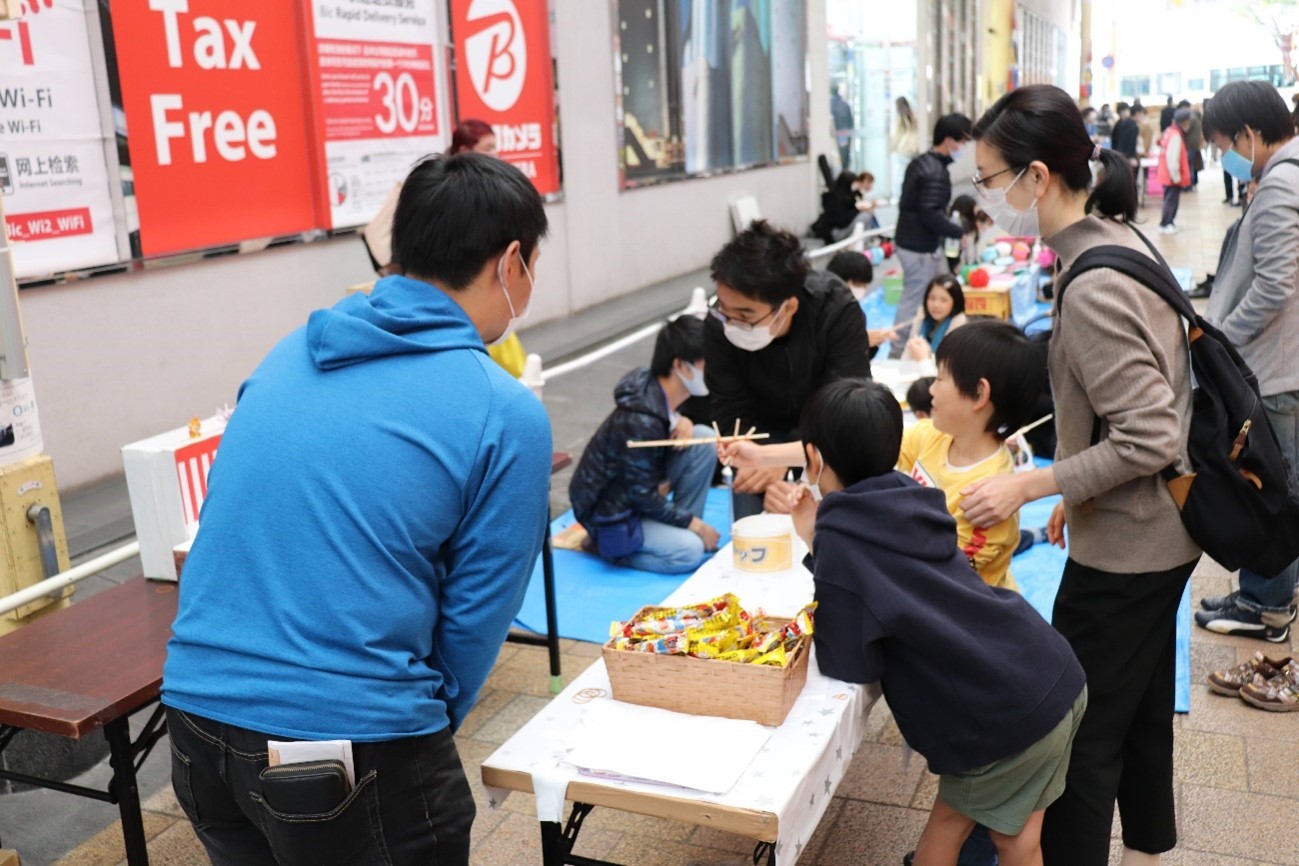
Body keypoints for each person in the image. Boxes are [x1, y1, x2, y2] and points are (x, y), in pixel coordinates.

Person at [162, 153, 553, 866]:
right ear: (512, 262)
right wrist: (408, 731)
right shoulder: (502, 412)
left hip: (192, 720)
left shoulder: (288, 354)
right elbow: (474, 622)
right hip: (348, 746)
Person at [958, 84, 1200, 866]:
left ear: (1034, 176)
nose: (987, 199)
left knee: (1080, 732)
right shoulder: (1120, 239)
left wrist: (1039, 484)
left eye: (989, 181)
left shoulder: (1091, 283)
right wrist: (1077, 489)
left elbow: (1148, 432)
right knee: (1137, 702)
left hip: (1131, 550)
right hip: (1160, 530)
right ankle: (1150, 843)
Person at [792, 378, 1087, 866]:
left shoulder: (841, 538)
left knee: (949, 835)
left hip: (1001, 711)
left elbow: (850, 662)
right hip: (1052, 669)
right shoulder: (912, 495)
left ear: (813, 457)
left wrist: (817, 542)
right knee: (1019, 841)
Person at [1195, 80, 1299, 641]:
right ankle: (1271, 590)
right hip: (1285, 361)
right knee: (1285, 484)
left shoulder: (1283, 183)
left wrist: (1220, 342)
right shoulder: (1285, 175)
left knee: (1271, 491)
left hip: (1278, 368)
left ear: (1249, 134)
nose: (1223, 158)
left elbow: (1274, 286)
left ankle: (1266, 606)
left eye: (1223, 145)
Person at [704, 220, 869, 519]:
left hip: (826, 436)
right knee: (752, 525)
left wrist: (783, 459)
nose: (731, 322)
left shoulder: (835, 309)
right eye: (724, 309)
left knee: (835, 522)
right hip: (756, 435)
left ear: (789, 307)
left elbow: (846, 406)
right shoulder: (719, 322)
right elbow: (728, 407)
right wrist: (761, 464)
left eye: (745, 315)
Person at [567, 317, 720, 574]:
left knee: (702, 438)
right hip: (610, 513)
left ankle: (679, 528)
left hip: (637, 495)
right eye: (708, 362)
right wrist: (696, 525)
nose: (714, 369)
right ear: (680, 365)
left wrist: (682, 420)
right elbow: (641, 495)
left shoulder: (658, 392)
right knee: (689, 552)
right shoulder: (640, 421)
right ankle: (606, 548)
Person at [893, 113, 974, 353]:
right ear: (950, 140)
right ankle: (897, 351)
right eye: (963, 141)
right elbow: (930, 213)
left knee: (944, 290)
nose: (963, 148)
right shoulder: (935, 172)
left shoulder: (922, 162)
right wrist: (958, 231)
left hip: (915, 242)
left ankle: (945, 344)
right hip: (918, 246)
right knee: (915, 298)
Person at [825, 251, 897, 358]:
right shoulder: (820, 311)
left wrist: (871, 343)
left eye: (865, 285)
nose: (863, 289)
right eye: (858, 284)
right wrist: (862, 341)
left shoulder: (854, 312)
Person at [906, 275, 968, 361]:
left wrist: (924, 356)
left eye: (943, 300)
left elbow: (949, 362)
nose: (936, 305)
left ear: (955, 302)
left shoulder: (958, 324)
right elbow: (908, 351)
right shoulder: (922, 315)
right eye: (932, 298)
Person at [1156, 108, 1192, 233]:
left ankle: (1167, 222)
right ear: (1183, 122)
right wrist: (1175, 175)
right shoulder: (1176, 136)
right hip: (1172, 175)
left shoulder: (1169, 131)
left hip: (1167, 173)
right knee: (1171, 201)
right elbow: (1172, 157)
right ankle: (1166, 223)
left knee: (1169, 199)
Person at [810, 171, 863, 244]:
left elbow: (853, 201)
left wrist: (857, 191)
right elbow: (842, 220)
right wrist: (857, 210)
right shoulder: (836, 197)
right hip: (835, 231)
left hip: (837, 228)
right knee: (865, 216)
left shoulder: (843, 193)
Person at [891, 96, 922, 197]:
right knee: (903, 175)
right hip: (906, 150)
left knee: (902, 175)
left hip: (905, 150)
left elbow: (896, 136)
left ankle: (902, 194)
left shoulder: (906, 119)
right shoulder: (905, 118)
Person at [944, 194, 980, 272]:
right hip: (959, 267)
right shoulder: (962, 225)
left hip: (955, 265)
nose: (976, 213)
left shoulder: (950, 223)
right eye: (974, 209)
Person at [1110, 102, 1140, 171]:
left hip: (1119, 155)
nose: (1128, 112)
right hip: (1122, 156)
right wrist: (1131, 156)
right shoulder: (1125, 125)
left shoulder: (1120, 124)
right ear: (1121, 112)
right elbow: (1127, 142)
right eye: (1126, 110)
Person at [831, 86, 855, 169]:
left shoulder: (829, 104)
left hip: (835, 134)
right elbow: (851, 121)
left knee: (836, 157)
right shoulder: (844, 104)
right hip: (844, 134)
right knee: (844, 156)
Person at [1184, 102, 1205, 189]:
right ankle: (1193, 183)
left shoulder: (1192, 120)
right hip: (1196, 145)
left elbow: (1186, 130)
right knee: (1193, 165)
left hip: (1190, 145)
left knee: (1190, 166)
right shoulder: (1199, 120)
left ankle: (1189, 184)